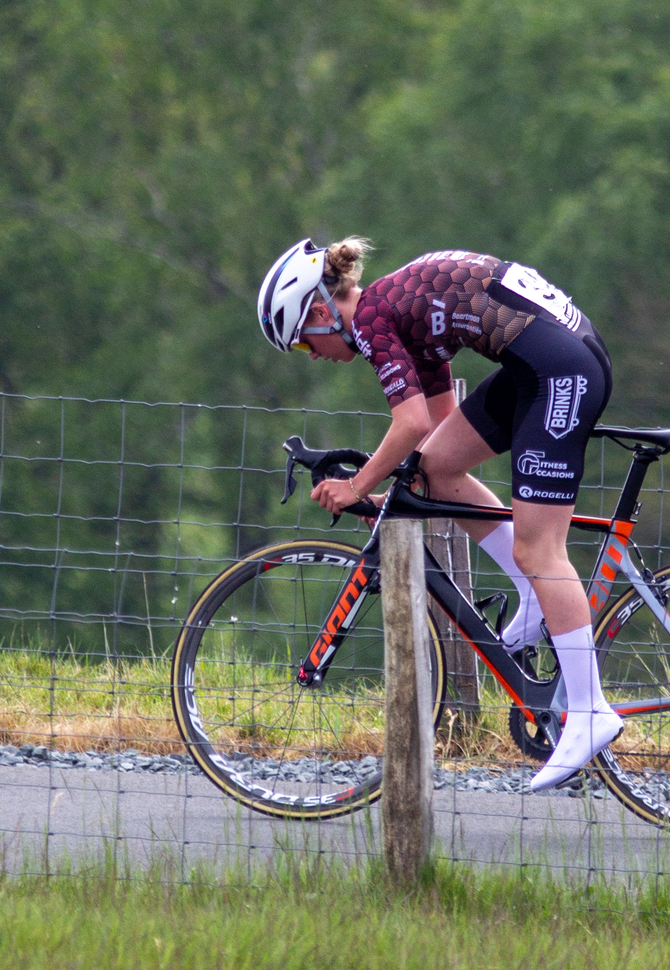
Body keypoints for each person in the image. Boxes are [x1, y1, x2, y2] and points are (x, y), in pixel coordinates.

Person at [257, 236, 621, 791]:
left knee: (539, 548)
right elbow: (437, 445)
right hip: (547, 360)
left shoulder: (374, 319)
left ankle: (591, 712)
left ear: (319, 311)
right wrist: (389, 497)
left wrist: (355, 485)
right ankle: (531, 591)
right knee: (439, 470)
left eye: (305, 345)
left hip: (558, 371)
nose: (316, 357)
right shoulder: (395, 308)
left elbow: (410, 427)